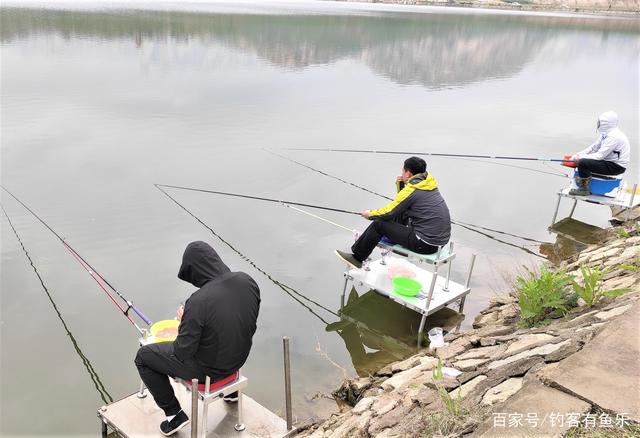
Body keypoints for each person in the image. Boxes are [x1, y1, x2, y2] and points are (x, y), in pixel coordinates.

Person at [135, 241, 260, 436]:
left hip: (208, 371)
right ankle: (232, 393)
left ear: (197, 270)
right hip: (238, 360)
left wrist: (185, 320)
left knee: (143, 356)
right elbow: (239, 323)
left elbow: (182, 351)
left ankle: (174, 414)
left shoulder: (199, 301)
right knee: (227, 337)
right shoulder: (248, 281)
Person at [335, 156, 451, 269]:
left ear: (408, 173)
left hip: (424, 244)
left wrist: (369, 214)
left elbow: (389, 212)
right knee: (400, 211)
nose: (401, 173)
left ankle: (357, 259)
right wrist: (401, 185)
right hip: (439, 243)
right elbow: (403, 204)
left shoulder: (413, 189)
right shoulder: (427, 184)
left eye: (403, 170)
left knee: (378, 224)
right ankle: (389, 237)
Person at [569, 111, 630, 196]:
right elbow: (594, 147)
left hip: (616, 167)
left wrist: (580, 158)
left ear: (606, 123)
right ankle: (583, 183)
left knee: (582, 163)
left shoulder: (614, 137)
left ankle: (583, 189)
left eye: (600, 122)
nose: (598, 124)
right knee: (582, 161)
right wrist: (577, 155)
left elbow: (599, 156)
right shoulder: (606, 133)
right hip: (608, 162)